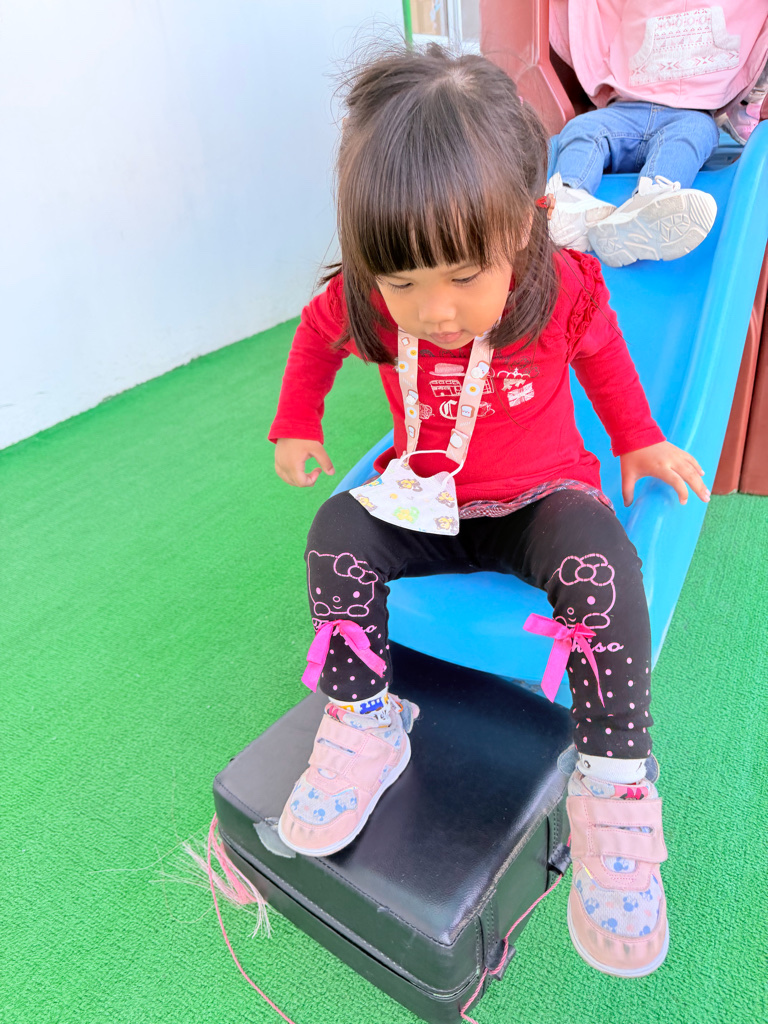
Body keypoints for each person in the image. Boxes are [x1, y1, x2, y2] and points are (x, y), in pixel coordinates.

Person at [268, 44, 709, 978]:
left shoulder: (561, 286)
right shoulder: (371, 303)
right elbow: (314, 337)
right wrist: (296, 423)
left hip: (539, 501)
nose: (436, 310)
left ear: (526, 226)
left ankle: (614, 784)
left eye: (465, 275)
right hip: (424, 503)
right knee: (336, 534)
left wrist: (638, 440)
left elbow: (605, 357)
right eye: (404, 282)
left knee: (602, 564)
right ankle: (367, 721)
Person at [547, 1, 768, 266]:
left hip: (689, 112)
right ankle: (568, 199)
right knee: (581, 128)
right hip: (626, 108)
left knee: (696, 133)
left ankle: (653, 201)